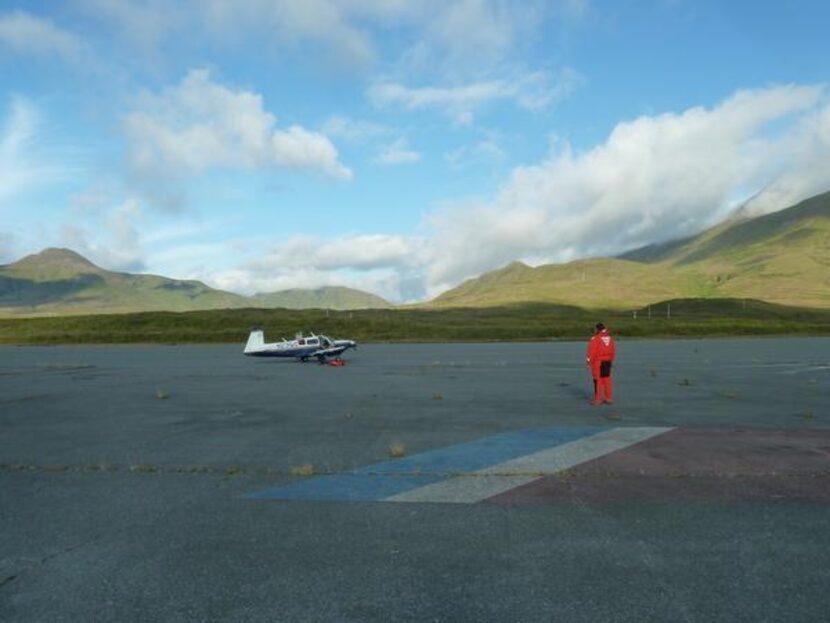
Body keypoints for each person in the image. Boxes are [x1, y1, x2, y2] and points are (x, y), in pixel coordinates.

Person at [586, 322, 616, 405]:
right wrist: (611, 361)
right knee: (607, 379)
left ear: (597, 329)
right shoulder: (610, 338)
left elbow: (591, 352)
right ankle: (608, 398)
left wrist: (588, 361)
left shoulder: (595, 339)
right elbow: (613, 351)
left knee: (598, 380)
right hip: (608, 361)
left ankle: (598, 399)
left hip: (598, 362)